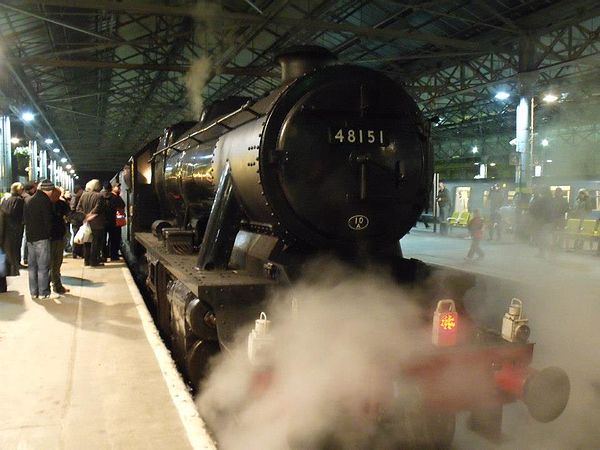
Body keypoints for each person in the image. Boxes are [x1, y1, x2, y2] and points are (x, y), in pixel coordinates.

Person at [23, 179, 54, 299]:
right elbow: (48, 220)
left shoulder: (28, 200)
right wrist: (48, 233)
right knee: (43, 266)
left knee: (32, 267)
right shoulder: (44, 200)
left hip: (30, 237)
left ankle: (33, 292)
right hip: (42, 237)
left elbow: (25, 220)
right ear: (49, 190)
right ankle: (43, 292)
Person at [76, 179, 105, 267]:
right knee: (96, 243)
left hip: (86, 222)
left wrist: (85, 216)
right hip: (97, 223)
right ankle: (94, 261)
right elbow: (98, 208)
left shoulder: (83, 195)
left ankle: (86, 261)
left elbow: (78, 208)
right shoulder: (99, 196)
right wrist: (90, 215)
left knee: (87, 242)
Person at [49, 187, 71, 294]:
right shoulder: (46, 204)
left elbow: (69, 214)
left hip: (56, 236)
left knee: (55, 263)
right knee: (54, 263)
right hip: (52, 237)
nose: (58, 197)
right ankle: (56, 286)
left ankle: (53, 285)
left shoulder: (60, 204)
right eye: (56, 195)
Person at [0, 182, 25, 276]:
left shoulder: (7, 199)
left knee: (10, 247)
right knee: (16, 245)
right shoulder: (18, 200)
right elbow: (16, 213)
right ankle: (15, 265)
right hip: (15, 226)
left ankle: (13, 265)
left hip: (7, 226)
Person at [528, 186, 553, 258]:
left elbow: (532, 208)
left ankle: (542, 253)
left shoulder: (541, 199)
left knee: (542, 237)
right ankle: (549, 252)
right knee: (546, 237)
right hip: (549, 221)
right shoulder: (551, 199)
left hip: (541, 221)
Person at [106, 181, 126, 261]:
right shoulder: (112, 197)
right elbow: (119, 205)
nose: (119, 189)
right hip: (113, 221)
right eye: (117, 187)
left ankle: (114, 253)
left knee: (115, 238)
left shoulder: (116, 197)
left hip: (116, 221)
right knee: (114, 238)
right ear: (113, 188)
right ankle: (113, 255)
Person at [20, 181, 37, 266]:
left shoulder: (24, 196)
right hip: (27, 221)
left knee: (25, 238)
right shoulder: (28, 198)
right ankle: (25, 257)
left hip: (24, 221)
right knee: (26, 239)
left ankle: (25, 257)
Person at [70, 185, 84, 259]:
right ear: (78, 191)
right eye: (81, 190)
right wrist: (80, 216)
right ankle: (75, 252)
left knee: (78, 237)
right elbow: (72, 210)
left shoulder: (76, 197)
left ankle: (78, 252)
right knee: (77, 237)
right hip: (76, 221)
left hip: (77, 221)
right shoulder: (75, 198)